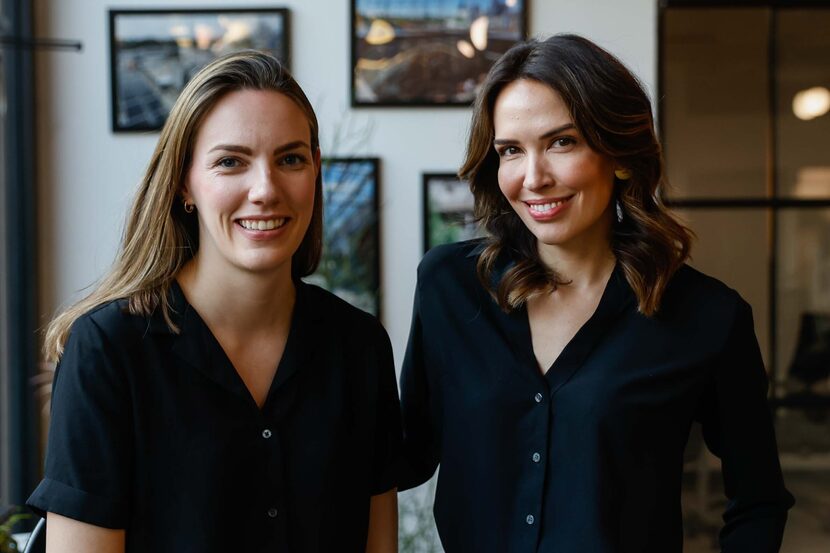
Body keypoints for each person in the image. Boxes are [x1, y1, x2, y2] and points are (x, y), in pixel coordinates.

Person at [399, 34, 794, 552]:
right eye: (511, 151)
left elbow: (759, 500)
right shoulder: (448, 286)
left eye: (562, 142)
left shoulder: (708, 317)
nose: (533, 178)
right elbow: (404, 457)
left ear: (621, 155)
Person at [28, 51, 400, 553]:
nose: (265, 189)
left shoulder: (359, 346)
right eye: (231, 162)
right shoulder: (109, 350)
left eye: (290, 158)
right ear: (185, 184)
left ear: (315, 171)